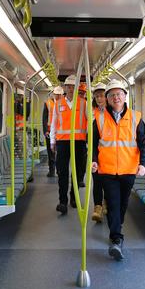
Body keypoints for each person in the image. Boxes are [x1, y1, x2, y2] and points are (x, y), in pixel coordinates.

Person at [91, 79, 145, 260]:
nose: (116, 97)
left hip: (128, 170)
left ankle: (117, 226)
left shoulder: (136, 117)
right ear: (107, 99)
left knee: (123, 204)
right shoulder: (99, 119)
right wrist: (93, 161)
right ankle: (116, 239)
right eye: (112, 95)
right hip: (107, 171)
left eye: (119, 94)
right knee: (114, 203)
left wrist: (143, 163)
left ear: (125, 97)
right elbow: (92, 144)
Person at [50, 75, 88, 215]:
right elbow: (54, 123)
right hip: (62, 142)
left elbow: (89, 123)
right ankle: (62, 201)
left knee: (77, 172)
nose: (71, 89)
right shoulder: (58, 104)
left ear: (77, 88)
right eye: (69, 86)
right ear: (65, 88)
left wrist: (89, 141)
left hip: (79, 142)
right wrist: (52, 141)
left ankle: (74, 197)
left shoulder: (84, 103)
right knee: (62, 172)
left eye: (74, 86)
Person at [90, 82, 107, 223]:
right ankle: (97, 207)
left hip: (109, 153)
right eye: (97, 97)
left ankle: (106, 202)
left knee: (107, 181)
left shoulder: (114, 113)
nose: (99, 99)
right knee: (96, 180)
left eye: (101, 96)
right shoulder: (93, 113)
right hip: (95, 151)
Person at [42, 87, 63, 177]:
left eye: (59, 94)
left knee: (60, 153)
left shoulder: (65, 104)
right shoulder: (48, 103)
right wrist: (45, 130)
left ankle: (59, 170)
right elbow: (44, 118)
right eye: (56, 94)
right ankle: (51, 171)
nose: (57, 96)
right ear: (53, 94)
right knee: (51, 152)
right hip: (50, 131)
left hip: (61, 132)